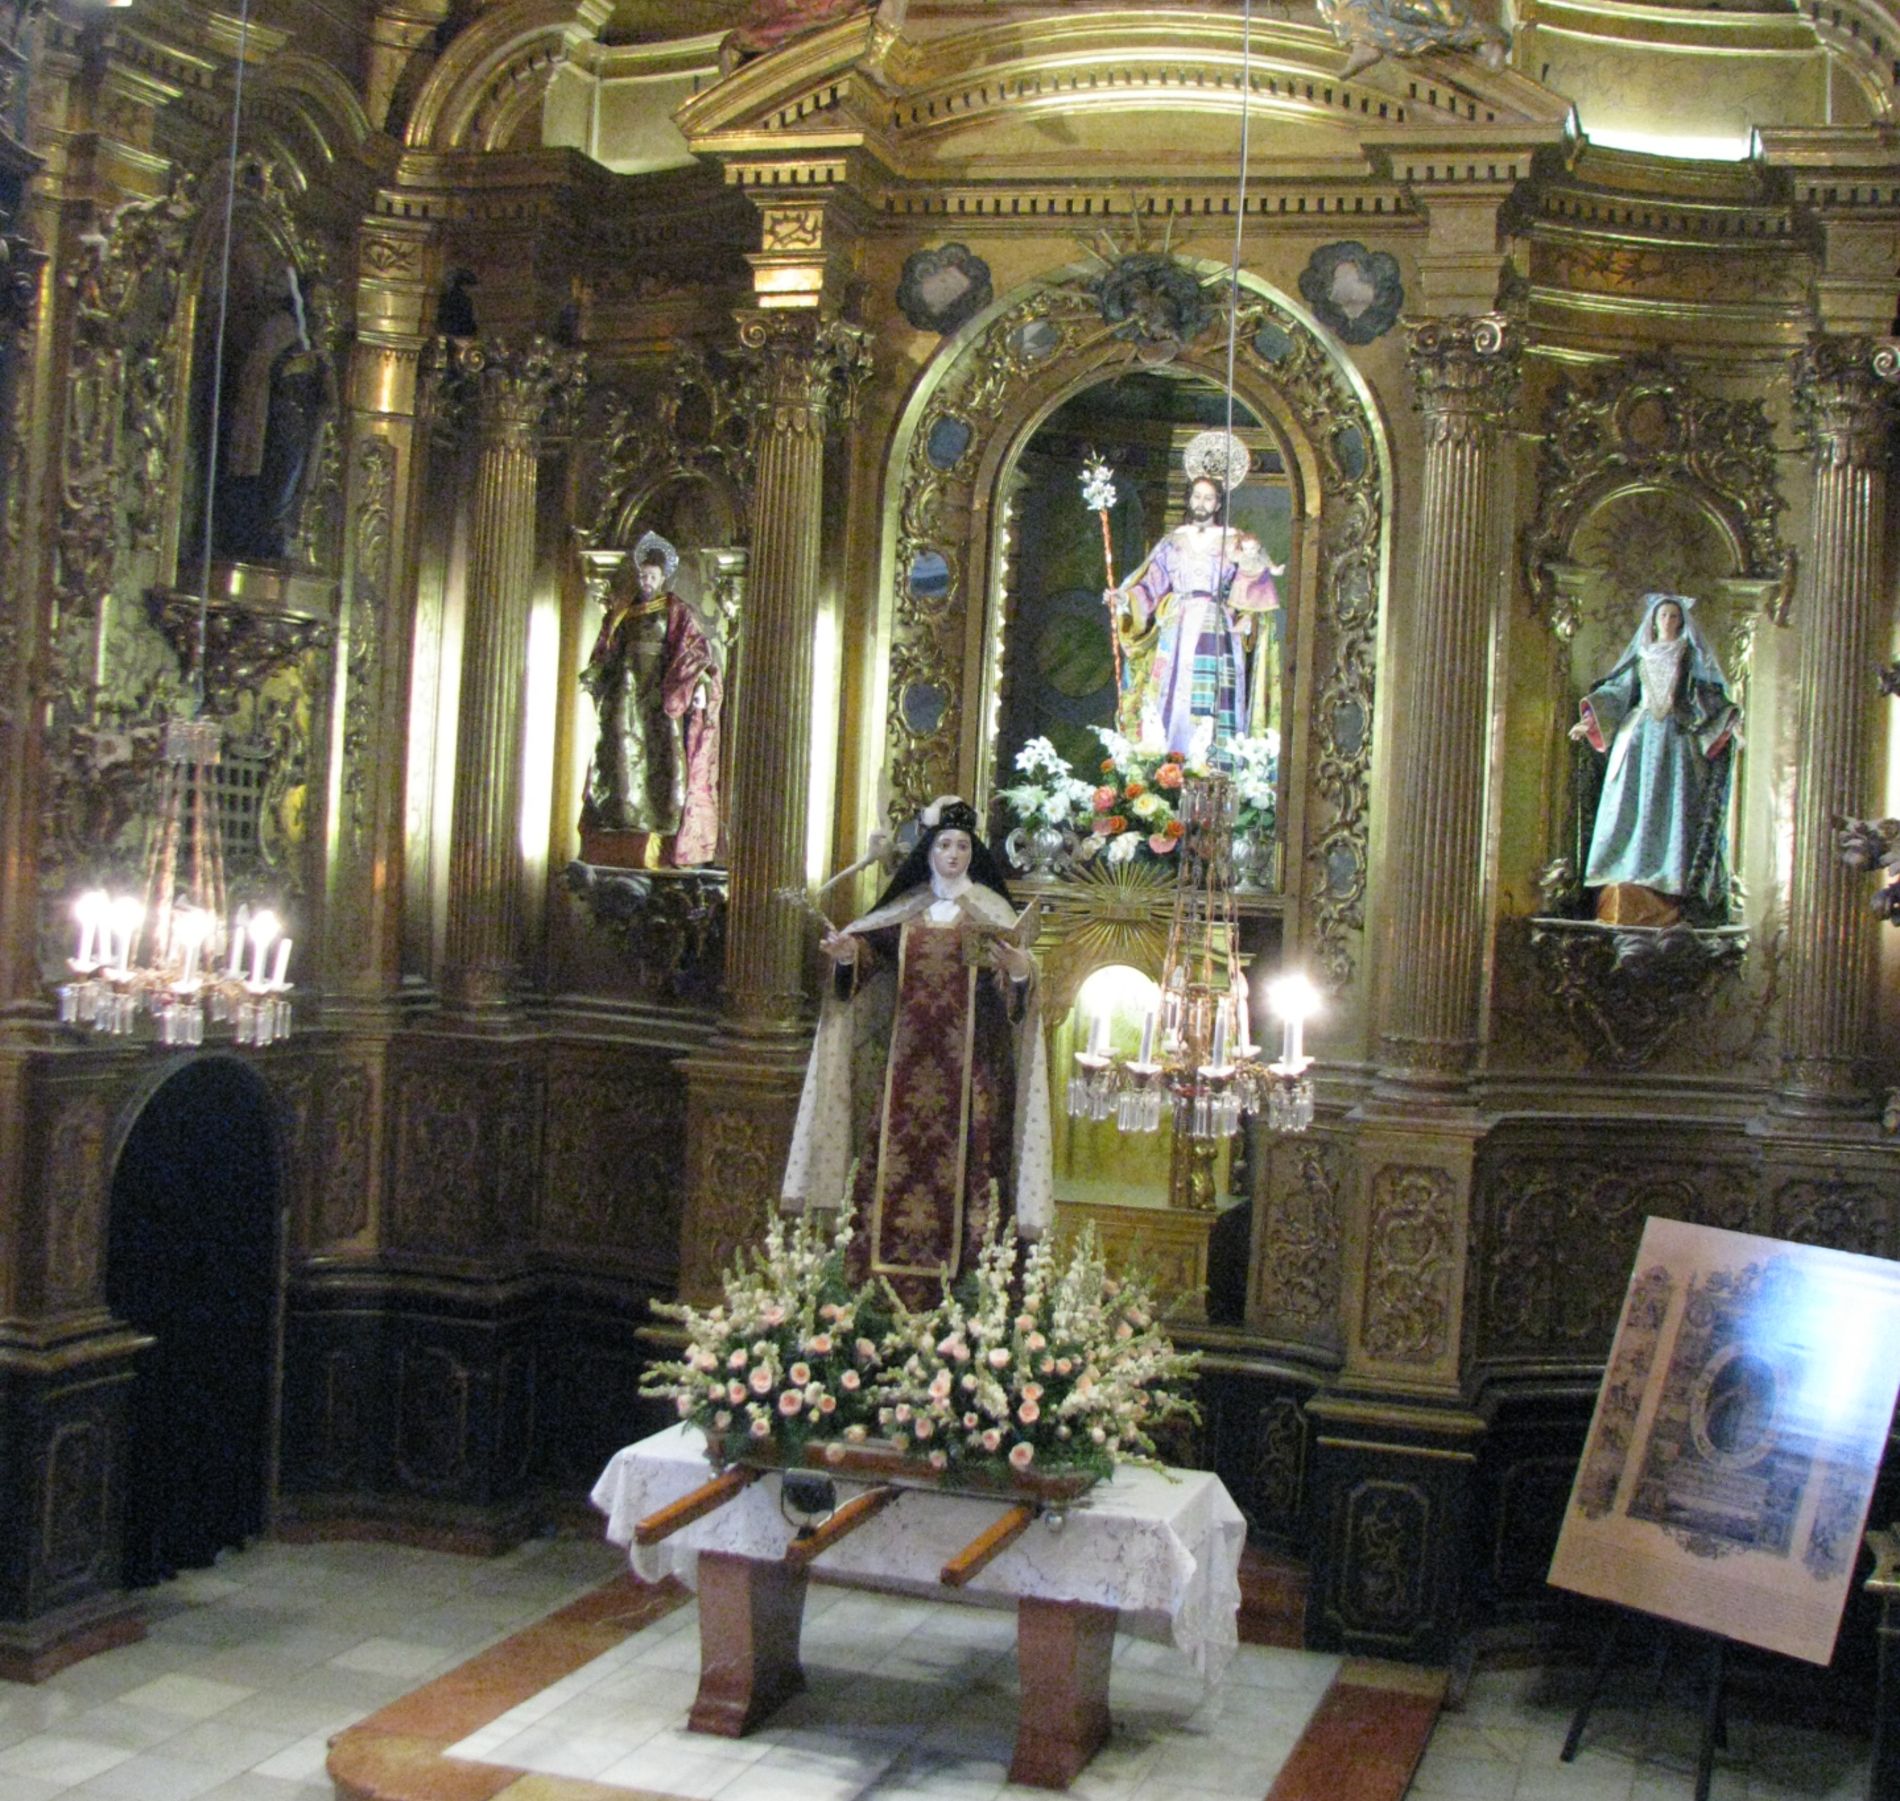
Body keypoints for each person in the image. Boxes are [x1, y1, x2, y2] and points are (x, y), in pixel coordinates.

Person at [781, 798, 1053, 1307]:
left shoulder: (990, 912)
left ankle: (965, 1293)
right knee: (889, 1169)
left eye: (963, 846)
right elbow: (865, 965)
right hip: (902, 1077)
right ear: (928, 851)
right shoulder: (906, 910)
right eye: (946, 845)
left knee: (971, 1178)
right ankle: (878, 1292)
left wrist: (1019, 969)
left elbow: (1016, 994)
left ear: (975, 853)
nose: (954, 854)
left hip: (969, 1080)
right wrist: (847, 958)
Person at [1568, 592, 1738, 925]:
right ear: (1653, 620)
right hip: (1638, 738)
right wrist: (1589, 721)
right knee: (1630, 806)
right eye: (1663, 616)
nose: (1669, 622)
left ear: (1683, 622)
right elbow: (1616, 693)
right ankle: (1626, 869)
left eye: (1675, 617)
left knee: (1671, 805)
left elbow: (1708, 698)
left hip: (1676, 741)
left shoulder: (1691, 658)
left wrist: (1729, 723)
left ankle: (1669, 878)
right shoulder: (1641, 657)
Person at [1110, 447, 1280, 765]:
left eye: (1209, 498)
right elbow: (1152, 584)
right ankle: (1166, 764)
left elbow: (1249, 584)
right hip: (1176, 624)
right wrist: (1126, 598)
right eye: (1197, 497)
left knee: (1212, 694)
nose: (1201, 504)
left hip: (1216, 625)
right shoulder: (1174, 540)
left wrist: (1246, 608)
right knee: (1169, 692)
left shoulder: (1235, 540)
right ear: (1190, 499)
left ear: (1218, 503)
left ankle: (1211, 765)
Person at [579, 531, 723, 866]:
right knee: (617, 754)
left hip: (659, 694)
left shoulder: (675, 610)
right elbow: (606, 651)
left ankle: (662, 827)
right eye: (642, 575)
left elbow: (693, 651)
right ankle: (620, 818)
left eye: (652, 576)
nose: (646, 581)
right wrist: (600, 676)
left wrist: (695, 683)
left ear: (662, 577)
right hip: (625, 694)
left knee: (662, 758)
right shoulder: (622, 613)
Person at [216, 265, 331, 563]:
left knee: (294, 473)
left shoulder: (315, 335)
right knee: (275, 473)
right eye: (316, 298)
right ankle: (263, 530)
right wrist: (288, 367)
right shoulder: (279, 327)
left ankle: (280, 529)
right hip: (272, 418)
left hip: (300, 418)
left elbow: (323, 382)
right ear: (302, 297)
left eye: (323, 300)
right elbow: (258, 369)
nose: (320, 306)